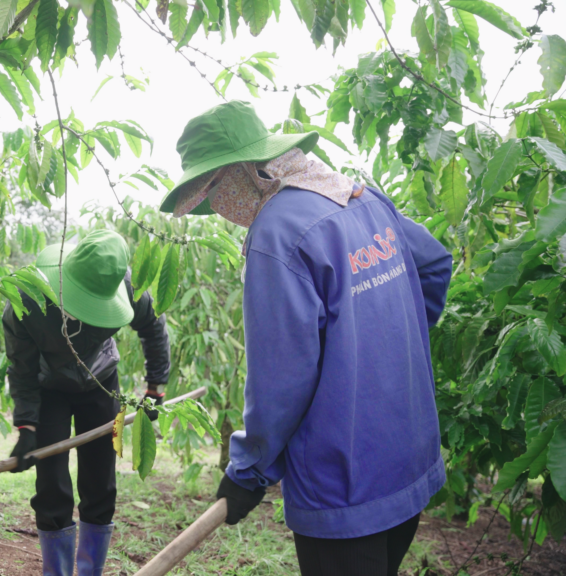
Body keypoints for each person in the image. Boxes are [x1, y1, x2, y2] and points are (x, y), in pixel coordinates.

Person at [160, 102, 452, 576]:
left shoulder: (275, 234)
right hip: (407, 461)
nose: (217, 208)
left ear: (247, 173)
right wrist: (384, 345)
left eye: (213, 189)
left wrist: (247, 470)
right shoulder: (357, 195)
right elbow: (434, 265)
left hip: (343, 485)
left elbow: (282, 380)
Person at [2, 229, 171, 576]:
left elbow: (154, 328)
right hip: (49, 387)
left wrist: (155, 389)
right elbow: (22, 368)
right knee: (51, 487)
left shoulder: (123, 284)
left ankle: (90, 571)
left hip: (101, 383)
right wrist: (27, 426)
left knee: (100, 483)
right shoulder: (28, 299)